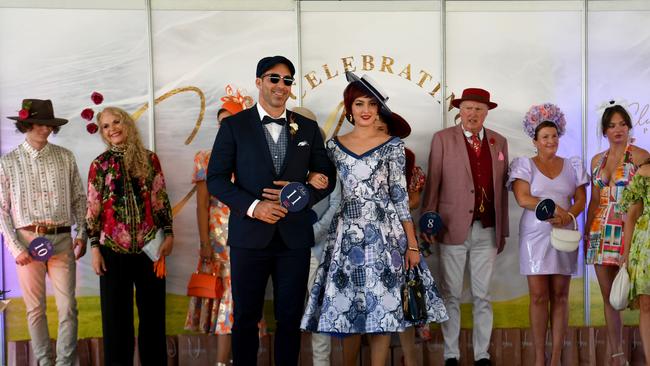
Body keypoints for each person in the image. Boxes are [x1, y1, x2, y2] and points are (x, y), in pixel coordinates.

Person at [301, 71, 447, 366]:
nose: (365, 110)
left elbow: (399, 196)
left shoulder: (392, 146)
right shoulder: (333, 147)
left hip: (386, 237)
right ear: (349, 109)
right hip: (345, 237)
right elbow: (325, 190)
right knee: (348, 312)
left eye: (371, 103)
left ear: (379, 108)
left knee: (384, 313)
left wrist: (412, 245)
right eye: (358, 104)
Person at [207, 56, 336, 365]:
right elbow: (216, 179)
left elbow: (325, 177)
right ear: (259, 82)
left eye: (287, 80)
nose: (281, 85)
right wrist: (255, 207)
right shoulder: (235, 126)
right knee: (246, 318)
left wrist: (305, 190)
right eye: (274, 78)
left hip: (294, 238)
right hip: (249, 237)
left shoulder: (306, 127)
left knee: (290, 318)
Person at [421, 88, 509, 366]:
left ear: (487, 112)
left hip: (488, 228)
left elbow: (502, 189)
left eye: (479, 109)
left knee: (483, 295)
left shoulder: (499, 142)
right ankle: (451, 354)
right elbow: (433, 182)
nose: (473, 114)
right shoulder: (443, 139)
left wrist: (503, 226)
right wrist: (428, 219)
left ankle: (482, 354)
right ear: (460, 110)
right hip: (451, 227)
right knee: (451, 293)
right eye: (468, 108)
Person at [0, 99, 87, 366]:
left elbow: (79, 200)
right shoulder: (8, 162)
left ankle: (65, 363)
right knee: (35, 309)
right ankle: (43, 362)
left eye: (49, 125)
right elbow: (2, 210)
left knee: (68, 308)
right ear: (26, 124)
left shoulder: (65, 157)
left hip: (62, 240)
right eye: (40, 124)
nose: (45, 130)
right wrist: (16, 248)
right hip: (26, 240)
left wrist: (81, 233)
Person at [86, 106, 174, 365]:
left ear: (127, 124)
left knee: (153, 318)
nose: (112, 128)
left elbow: (160, 199)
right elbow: (93, 209)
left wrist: (169, 234)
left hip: (151, 249)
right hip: (112, 251)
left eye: (116, 122)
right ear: (102, 133)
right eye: (105, 126)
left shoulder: (149, 159)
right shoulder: (99, 165)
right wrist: (94, 249)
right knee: (116, 321)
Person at [508, 103, 588, 366]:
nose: (550, 141)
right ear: (535, 141)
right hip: (535, 235)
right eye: (545, 137)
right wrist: (553, 208)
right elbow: (522, 198)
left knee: (561, 295)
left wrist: (569, 215)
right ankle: (539, 359)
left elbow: (580, 199)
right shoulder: (524, 165)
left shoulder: (573, 165)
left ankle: (555, 358)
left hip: (563, 233)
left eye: (554, 136)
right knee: (539, 295)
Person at [184, 87, 253, 365]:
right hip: (217, 238)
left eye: (231, 120)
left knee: (246, 295)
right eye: (221, 122)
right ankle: (223, 361)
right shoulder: (206, 157)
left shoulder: (254, 155)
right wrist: (203, 242)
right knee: (226, 297)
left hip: (248, 232)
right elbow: (202, 204)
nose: (225, 126)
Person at [584, 102, 649, 365]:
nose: (618, 129)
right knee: (610, 297)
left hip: (629, 230)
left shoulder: (641, 155)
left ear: (629, 127)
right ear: (604, 130)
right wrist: (588, 231)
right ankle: (617, 354)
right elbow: (594, 199)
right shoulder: (596, 160)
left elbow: (644, 198)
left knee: (641, 297)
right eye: (612, 125)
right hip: (600, 230)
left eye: (622, 124)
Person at [621, 158, 650, 364]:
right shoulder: (644, 172)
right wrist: (625, 255)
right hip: (645, 244)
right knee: (646, 304)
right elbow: (631, 215)